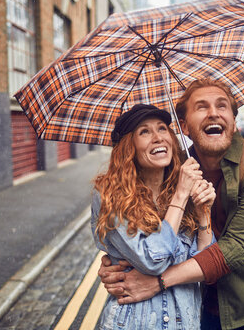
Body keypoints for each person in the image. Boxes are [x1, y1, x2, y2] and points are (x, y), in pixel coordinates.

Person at [98, 80, 244, 330]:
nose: (214, 113)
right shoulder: (175, 173)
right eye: (201, 106)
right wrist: (119, 264)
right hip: (208, 309)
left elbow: (236, 248)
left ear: (232, 119)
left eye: (222, 106)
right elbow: (161, 241)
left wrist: (156, 282)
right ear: (184, 126)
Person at [91, 104, 216, 330]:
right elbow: (152, 260)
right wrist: (181, 195)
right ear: (129, 147)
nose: (158, 138)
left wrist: (203, 214)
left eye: (162, 128)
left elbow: (205, 267)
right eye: (145, 132)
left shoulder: (185, 188)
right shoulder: (110, 195)